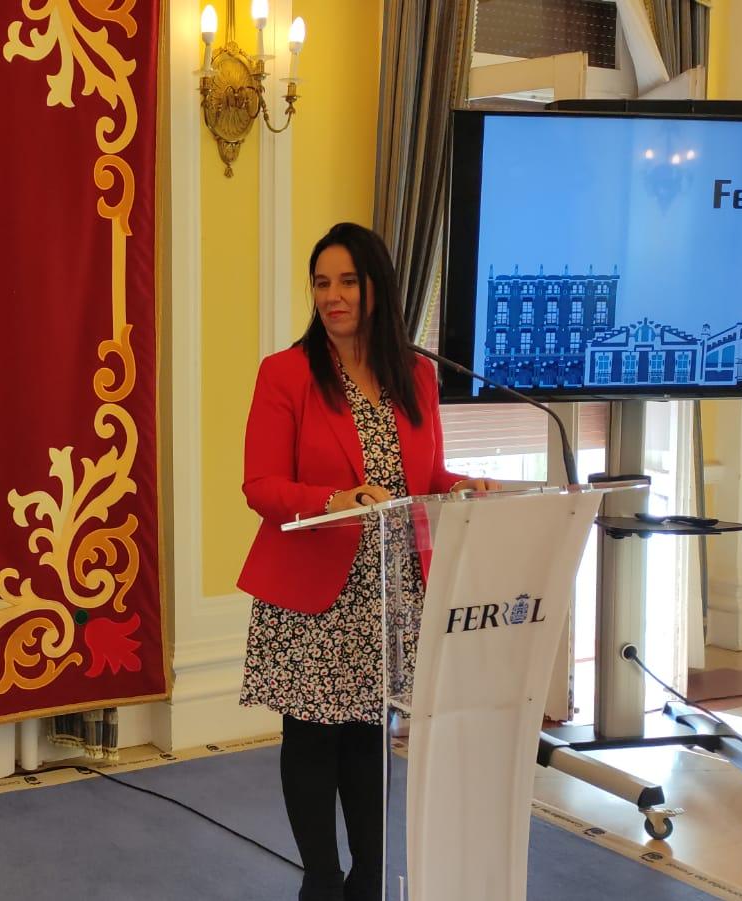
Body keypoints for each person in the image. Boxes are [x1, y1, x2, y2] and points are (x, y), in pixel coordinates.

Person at [237, 222, 500, 901]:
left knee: (367, 731)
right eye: (322, 282)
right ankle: (322, 880)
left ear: (376, 286)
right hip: (312, 588)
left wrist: (460, 487)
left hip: (390, 587)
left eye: (347, 280)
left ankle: (369, 879)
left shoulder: (414, 373)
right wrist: (337, 497)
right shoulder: (286, 373)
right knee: (314, 735)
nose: (333, 295)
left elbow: (425, 474)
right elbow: (260, 486)